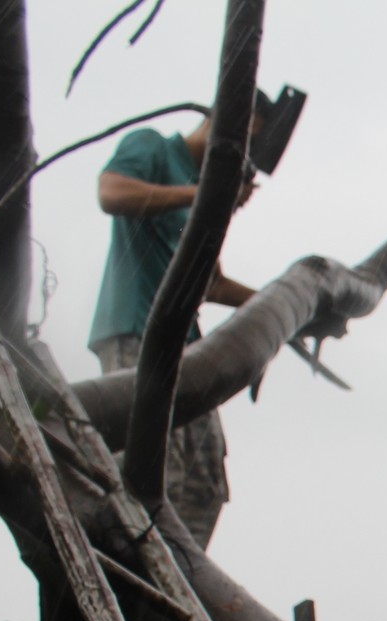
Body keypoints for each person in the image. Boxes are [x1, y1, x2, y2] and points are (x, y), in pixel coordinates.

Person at [88, 110, 259, 547]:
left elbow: (212, 283)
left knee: (205, 481)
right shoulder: (153, 148)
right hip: (136, 334)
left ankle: (182, 580)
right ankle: (137, 575)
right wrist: (203, 193)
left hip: (187, 348)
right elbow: (111, 192)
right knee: (158, 470)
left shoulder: (200, 197)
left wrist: (274, 306)